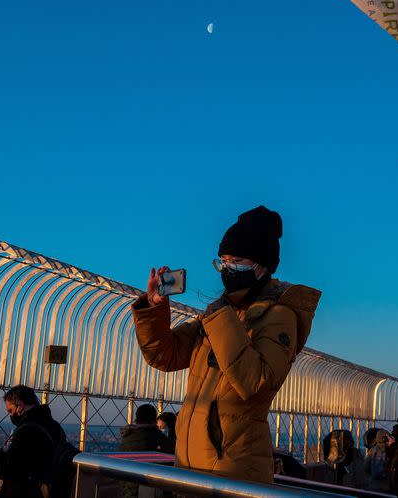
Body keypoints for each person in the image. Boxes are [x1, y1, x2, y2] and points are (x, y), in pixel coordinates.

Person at [131, 206, 321, 484]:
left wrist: (221, 316)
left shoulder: (279, 317)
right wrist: (154, 309)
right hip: (190, 466)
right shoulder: (219, 314)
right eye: (222, 261)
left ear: (262, 266)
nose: (227, 270)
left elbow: (255, 381)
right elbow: (164, 355)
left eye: (237, 261)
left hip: (234, 470)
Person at [0, 385, 69, 498]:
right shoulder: (55, 427)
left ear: (20, 406)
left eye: (10, 410)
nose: (10, 415)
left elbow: (13, 470)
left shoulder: (26, 430)